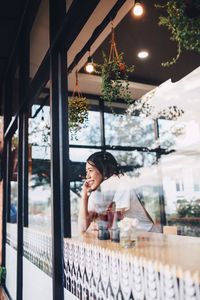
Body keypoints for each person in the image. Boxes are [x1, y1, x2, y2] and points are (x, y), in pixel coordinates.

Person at [78, 151, 160, 234]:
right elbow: (82, 228)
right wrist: (85, 195)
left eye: (91, 170)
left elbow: (114, 222)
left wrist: (96, 219)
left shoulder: (122, 185)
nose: (87, 176)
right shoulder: (97, 193)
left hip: (147, 235)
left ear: (103, 170)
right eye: (86, 172)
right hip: (127, 237)